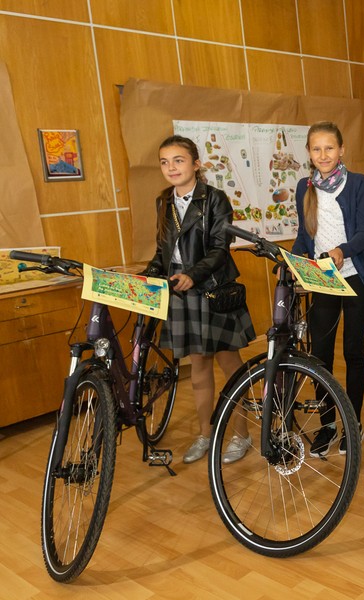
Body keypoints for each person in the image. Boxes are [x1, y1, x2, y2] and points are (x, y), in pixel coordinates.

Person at [147, 135, 256, 464]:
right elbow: (163, 250)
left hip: (212, 289)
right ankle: (205, 434)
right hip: (181, 292)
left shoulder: (215, 199)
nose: (171, 168)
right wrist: (149, 274)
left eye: (178, 160)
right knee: (198, 369)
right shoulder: (163, 202)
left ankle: (242, 434)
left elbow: (220, 249)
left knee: (230, 366)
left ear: (196, 164)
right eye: (165, 162)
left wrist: (193, 275)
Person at [292, 121, 364, 457]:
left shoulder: (358, 183)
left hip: (356, 276)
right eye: (317, 149)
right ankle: (327, 424)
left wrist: (342, 250)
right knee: (320, 356)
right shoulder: (304, 187)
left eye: (329, 148)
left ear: (341, 149)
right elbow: (304, 237)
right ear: (309, 153)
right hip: (322, 279)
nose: (323, 154)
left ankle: (352, 424)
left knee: (353, 351)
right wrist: (296, 260)